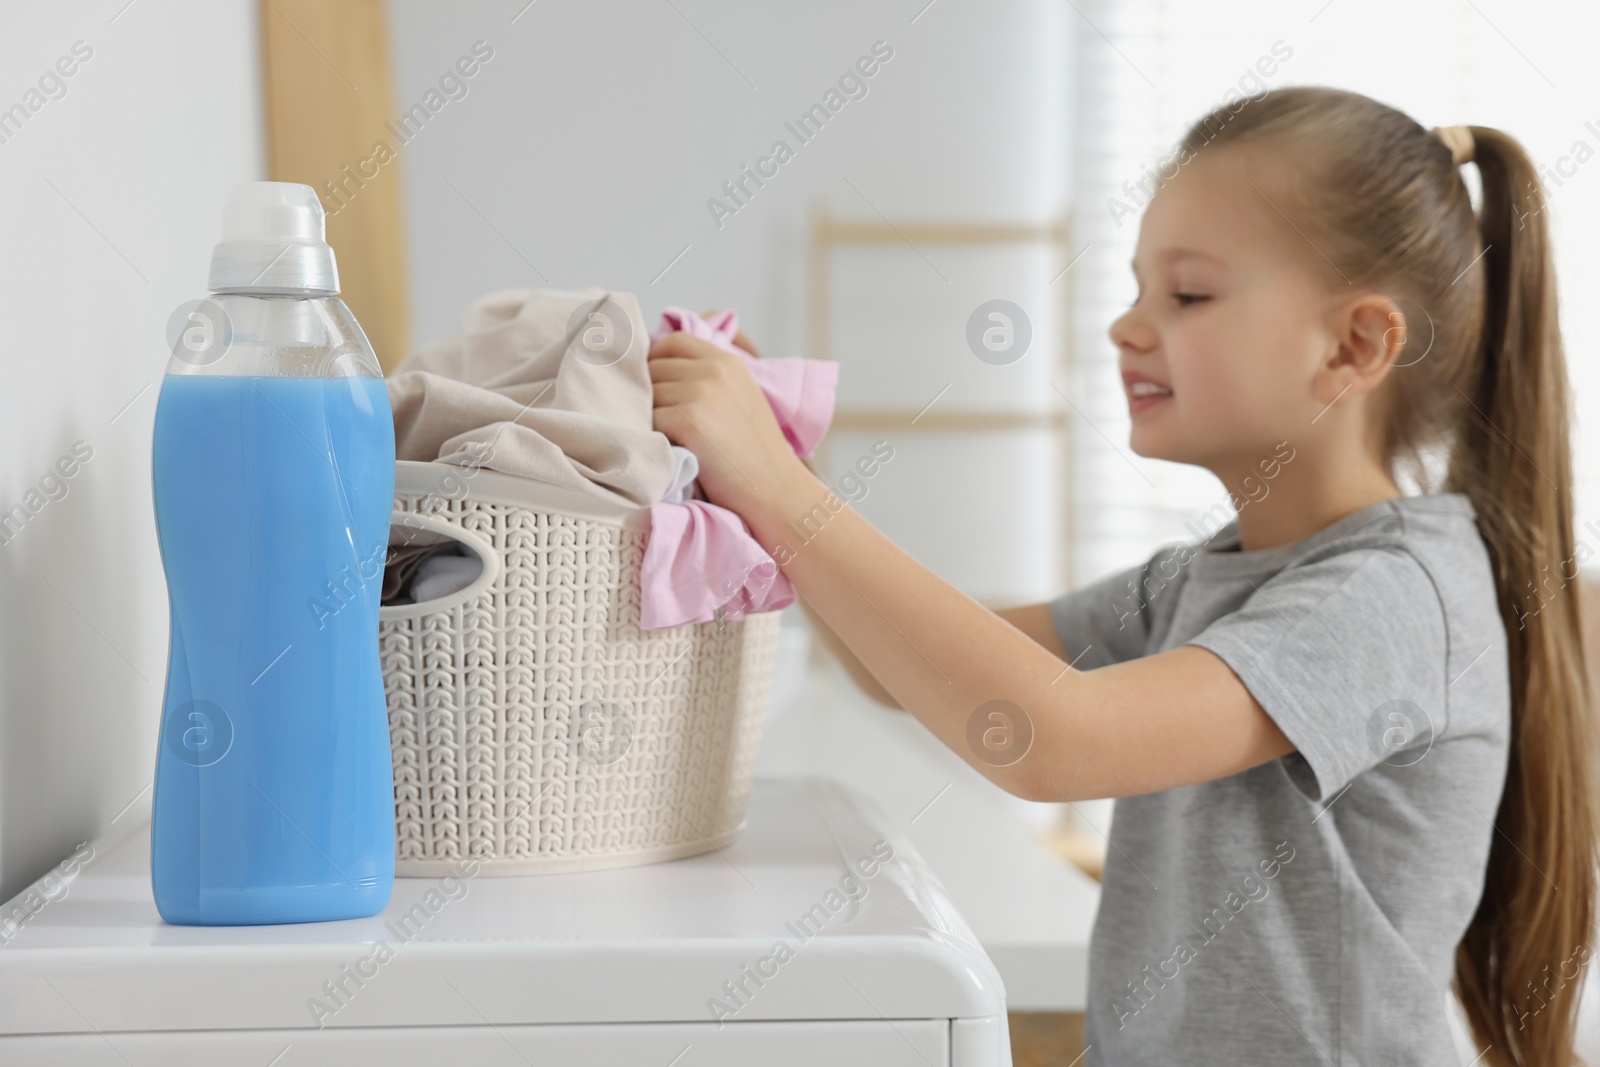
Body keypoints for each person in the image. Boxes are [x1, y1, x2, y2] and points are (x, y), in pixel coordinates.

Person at [645, 85, 1595, 1065]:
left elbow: (1048, 739)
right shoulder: (1197, 580)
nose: (1125, 327)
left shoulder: (1392, 596)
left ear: (1354, 345)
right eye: (1137, 288)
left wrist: (776, 487)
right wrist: (779, 482)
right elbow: (894, 668)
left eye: (1185, 294)